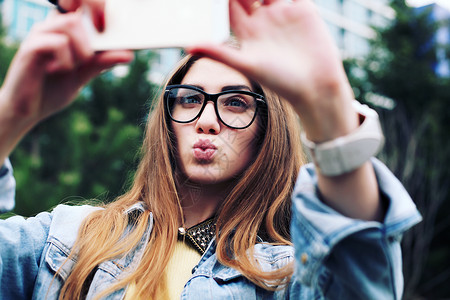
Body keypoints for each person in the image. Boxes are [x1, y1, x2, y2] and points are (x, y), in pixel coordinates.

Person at [0, 0, 422, 299]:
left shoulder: (290, 278)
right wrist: (12, 114)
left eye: (235, 103)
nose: (206, 119)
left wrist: (327, 108)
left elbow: (364, 281)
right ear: (166, 122)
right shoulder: (69, 238)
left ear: (268, 130)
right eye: (189, 98)